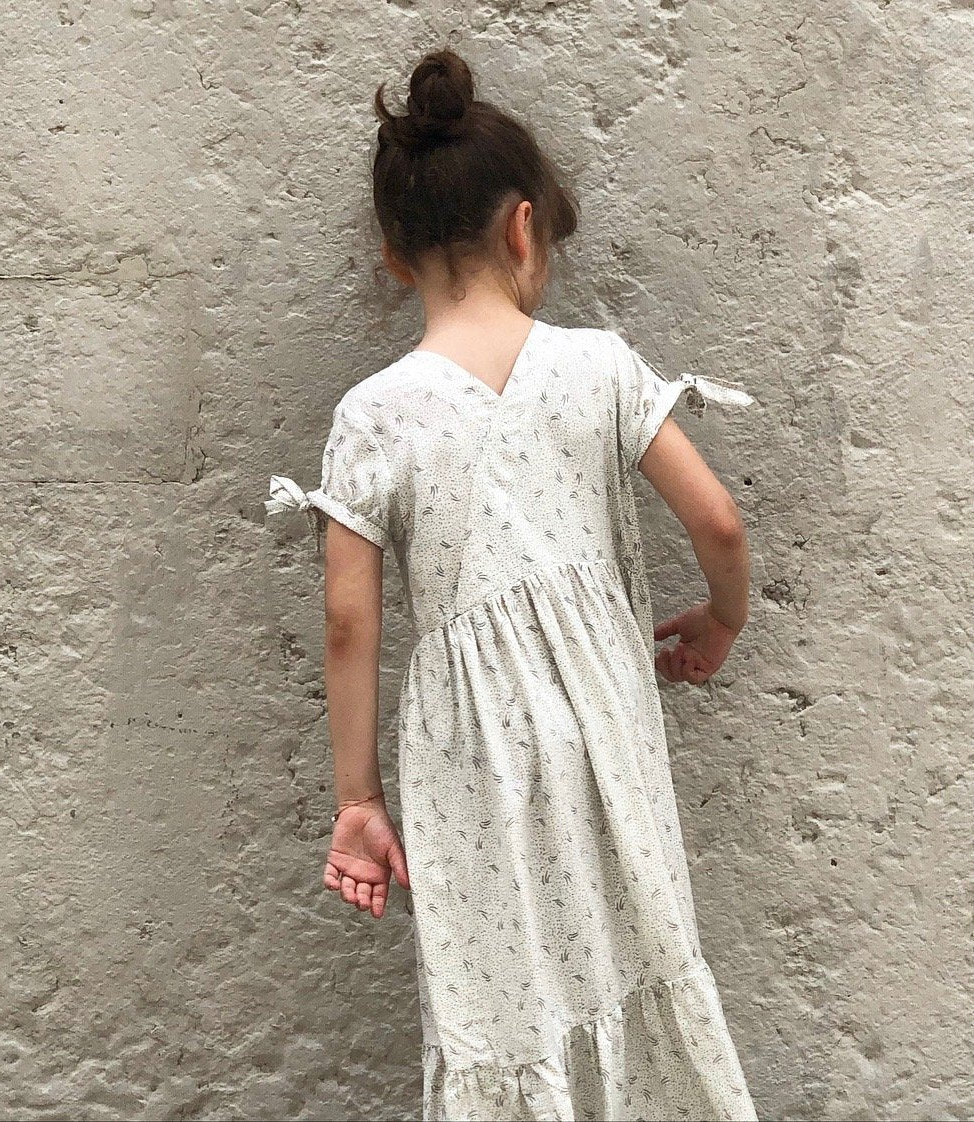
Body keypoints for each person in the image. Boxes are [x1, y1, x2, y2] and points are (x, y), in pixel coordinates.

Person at [264, 46, 759, 1122]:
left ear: (393, 259)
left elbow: (348, 620)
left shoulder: (373, 415)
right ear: (525, 229)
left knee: (502, 997)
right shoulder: (599, 367)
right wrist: (721, 618)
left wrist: (357, 800)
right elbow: (718, 520)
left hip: (468, 743)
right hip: (603, 705)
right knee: (638, 949)